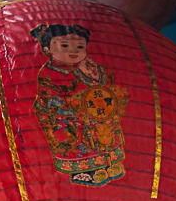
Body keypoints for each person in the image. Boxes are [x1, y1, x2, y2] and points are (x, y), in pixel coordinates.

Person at [31, 23, 128, 186]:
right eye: (65, 45)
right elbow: (54, 98)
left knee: (105, 135)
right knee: (80, 143)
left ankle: (109, 165)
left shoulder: (84, 67)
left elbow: (102, 87)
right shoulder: (50, 72)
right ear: (47, 50)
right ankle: (85, 172)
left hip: (91, 115)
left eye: (80, 46)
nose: (73, 51)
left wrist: (94, 74)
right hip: (66, 117)